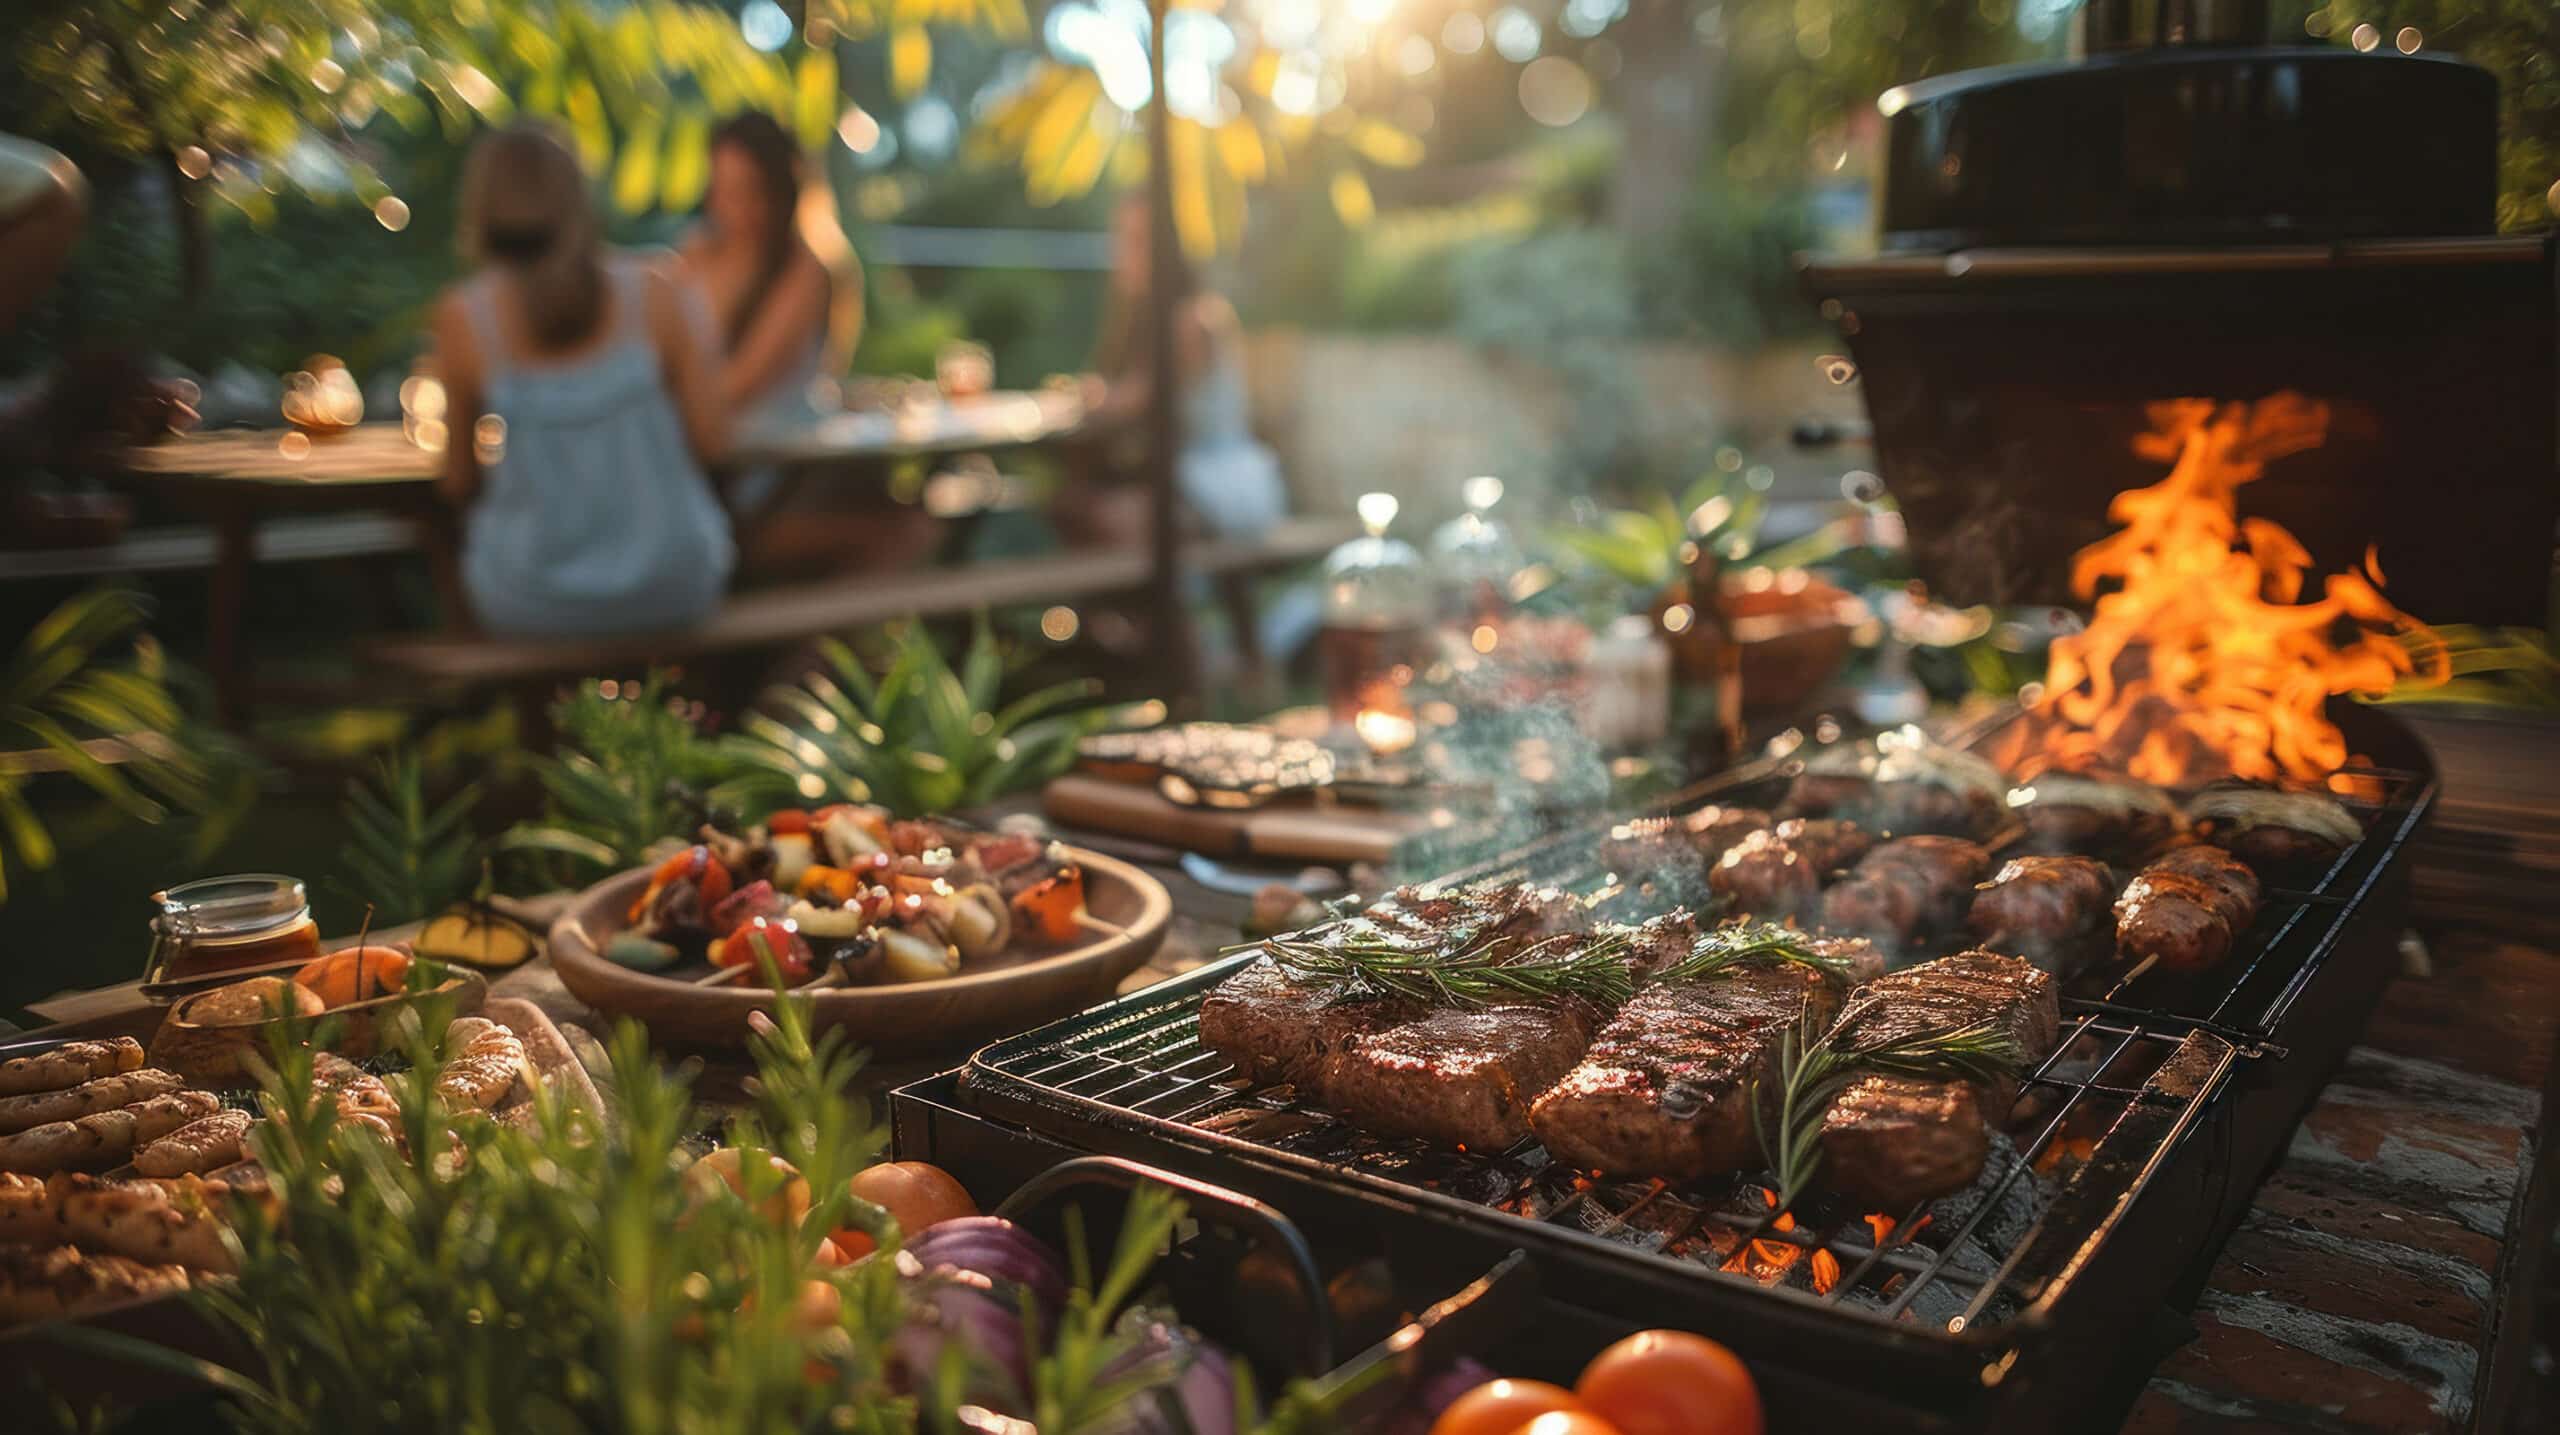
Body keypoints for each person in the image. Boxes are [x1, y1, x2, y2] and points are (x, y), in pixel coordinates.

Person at [429, 121, 733, 637]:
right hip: (672, 584)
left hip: (531, 598)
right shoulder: (659, 291)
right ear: (578, 196)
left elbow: (458, 480)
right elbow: (712, 444)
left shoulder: (464, 317)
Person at [1082, 192, 1286, 542]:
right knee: (1079, 504)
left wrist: (1086, 398)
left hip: (1220, 489)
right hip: (1184, 483)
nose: (1123, 253)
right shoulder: (1149, 315)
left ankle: (1167, 596)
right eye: (1121, 238)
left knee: (1092, 513)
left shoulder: (1192, 320)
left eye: (1137, 241)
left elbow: (1132, 400)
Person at [678, 112, 862, 453]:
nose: (733, 210)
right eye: (722, 190)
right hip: (708, 447)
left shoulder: (806, 270)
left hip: (776, 454)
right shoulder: (698, 254)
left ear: (781, 192)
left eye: (747, 191)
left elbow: (734, 387)